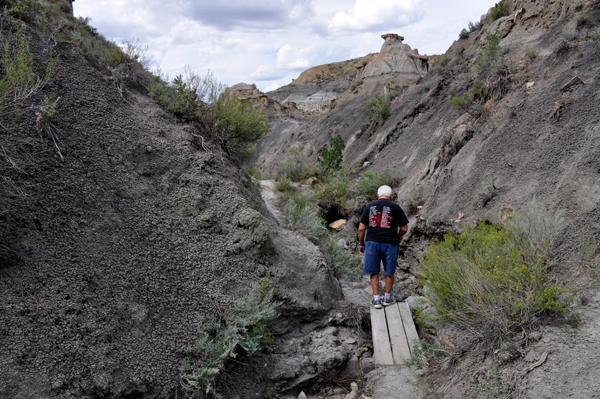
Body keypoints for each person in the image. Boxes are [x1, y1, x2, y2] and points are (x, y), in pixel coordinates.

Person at [358, 185, 409, 309]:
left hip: (372, 242)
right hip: (390, 243)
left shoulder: (370, 207)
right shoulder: (396, 207)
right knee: (389, 271)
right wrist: (399, 236)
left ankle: (376, 300)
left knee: (374, 271)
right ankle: (387, 298)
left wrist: (361, 243)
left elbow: (361, 228)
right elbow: (404, 228)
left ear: (377, 195)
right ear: (390, 196)